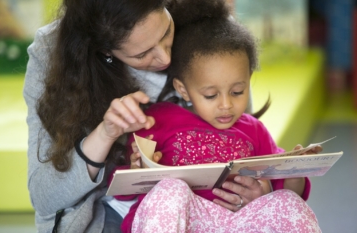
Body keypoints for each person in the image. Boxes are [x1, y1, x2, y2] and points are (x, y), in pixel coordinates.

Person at [23, 0, 256, 232]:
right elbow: (46, 198)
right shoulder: (51, 52)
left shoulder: (210, 27)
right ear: (105, 51)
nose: (165, 59)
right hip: (106, 215)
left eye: (166, 31)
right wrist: (105, 134)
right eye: (142, 54)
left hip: (208, 208)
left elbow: (243, 139)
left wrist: (256, 191)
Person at [108, 0, 322, 232]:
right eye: (211, 95)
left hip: (239, 223)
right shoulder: (156, 120)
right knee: (171, 189)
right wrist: (135, 172)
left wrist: (296, 168)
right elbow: (121, 192)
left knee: (288, 203)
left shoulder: (253, 129)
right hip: (185, 222)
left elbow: (289, 194)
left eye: (237, 92)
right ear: (183, 89)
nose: (226, 105)